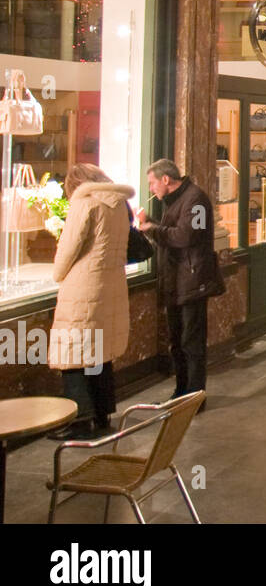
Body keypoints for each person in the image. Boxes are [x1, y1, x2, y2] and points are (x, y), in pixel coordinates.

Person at [48, 164, 135, 439]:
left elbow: (68, 247)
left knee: (72, 355)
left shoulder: (85, 203)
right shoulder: (119, 205)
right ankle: (102, 412)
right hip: (111, 285)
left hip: (83, 287)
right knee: (99, 352)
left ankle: (79, 420)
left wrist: (57, 274)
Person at [137, 159, 223, 405]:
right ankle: (181, 392)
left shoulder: (196, 200)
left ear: (166, 180)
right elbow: (173, 231)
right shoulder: (174, 201)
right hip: (176, 281)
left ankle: (195, 397)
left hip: (193, 282)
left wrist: (151, 228)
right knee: (177, 341)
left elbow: (186, 236)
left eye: (153, 183)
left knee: (191, 342)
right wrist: (150, 222)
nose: (151, 189)